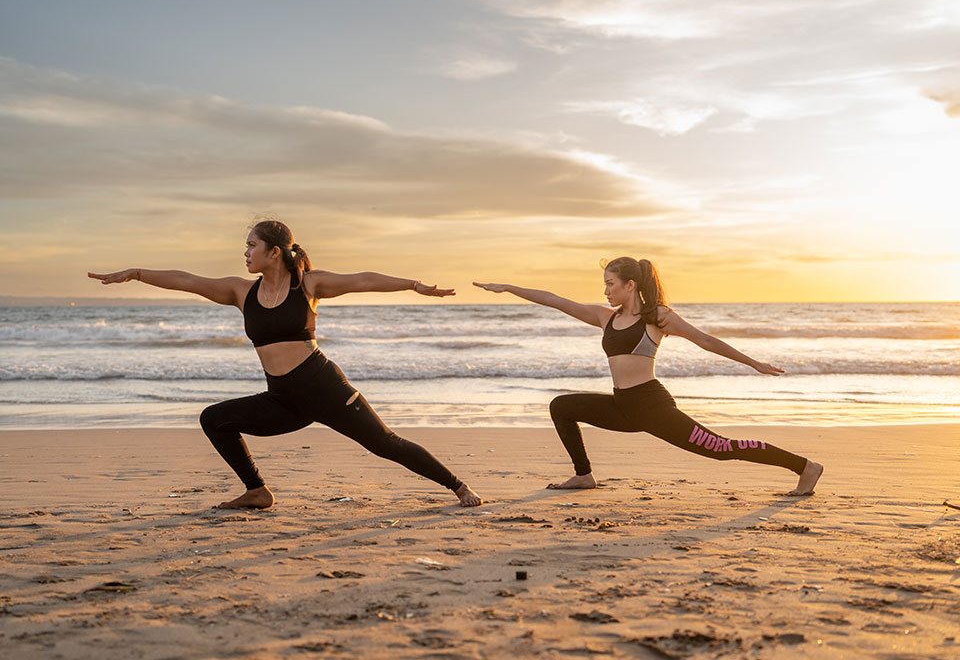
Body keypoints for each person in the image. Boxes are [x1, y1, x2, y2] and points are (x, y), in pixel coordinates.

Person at [89, 220, 482, 509]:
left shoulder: (308, 285)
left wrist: (413, 285)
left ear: (273, 251)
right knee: (214, 418)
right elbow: (187, 280)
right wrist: (137, 274)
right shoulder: (240, 291)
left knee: (384, 444)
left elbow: (362, 279)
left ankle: (458, 486)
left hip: (324, 388)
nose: (245, 253)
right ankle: (257, 491)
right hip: (283, 399)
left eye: (251, 245)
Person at [474, 257, 823, 496]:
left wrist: (754, 363)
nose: (605, 291)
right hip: (622, 406)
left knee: (721, 449)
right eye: (604, 285)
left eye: (610, 284)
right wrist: (508, 287)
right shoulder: (603, 317)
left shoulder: (658, 317)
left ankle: (804, 467)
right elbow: (554, 300)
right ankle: (584, 475)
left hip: (653, 407)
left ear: (630, 285)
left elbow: (705, 340)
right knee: (562, 406)